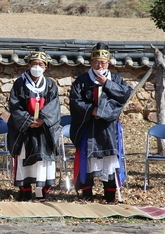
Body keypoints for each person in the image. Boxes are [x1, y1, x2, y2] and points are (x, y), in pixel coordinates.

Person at [69, 42, 131, 203]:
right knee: (87, 160)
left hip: (108, 128)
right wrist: (92, 110)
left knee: (109, 159)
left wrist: (107, 84)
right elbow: (75, 101)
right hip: (88, 125)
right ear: (91, 62)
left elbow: (123, 96)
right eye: (96, 62)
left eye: (103, 62)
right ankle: (87, 194)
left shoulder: (115, 79)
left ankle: (110, 195)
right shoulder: (82, 80)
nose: (99, 65)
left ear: (108, 63)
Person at [7, 49, 61, 202]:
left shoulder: (50, 85)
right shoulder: (20, 83)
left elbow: (54, 105)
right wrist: (27, 120)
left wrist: (43, 119)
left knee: (43, 160)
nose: (37, 66)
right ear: (29, 65)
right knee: (25, 157)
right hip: (25, 128)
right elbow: (15, 104)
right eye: (34, 63)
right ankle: (24, 191)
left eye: (41, 64)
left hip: (44, 129)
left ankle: (42, 191)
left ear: (46, 67)